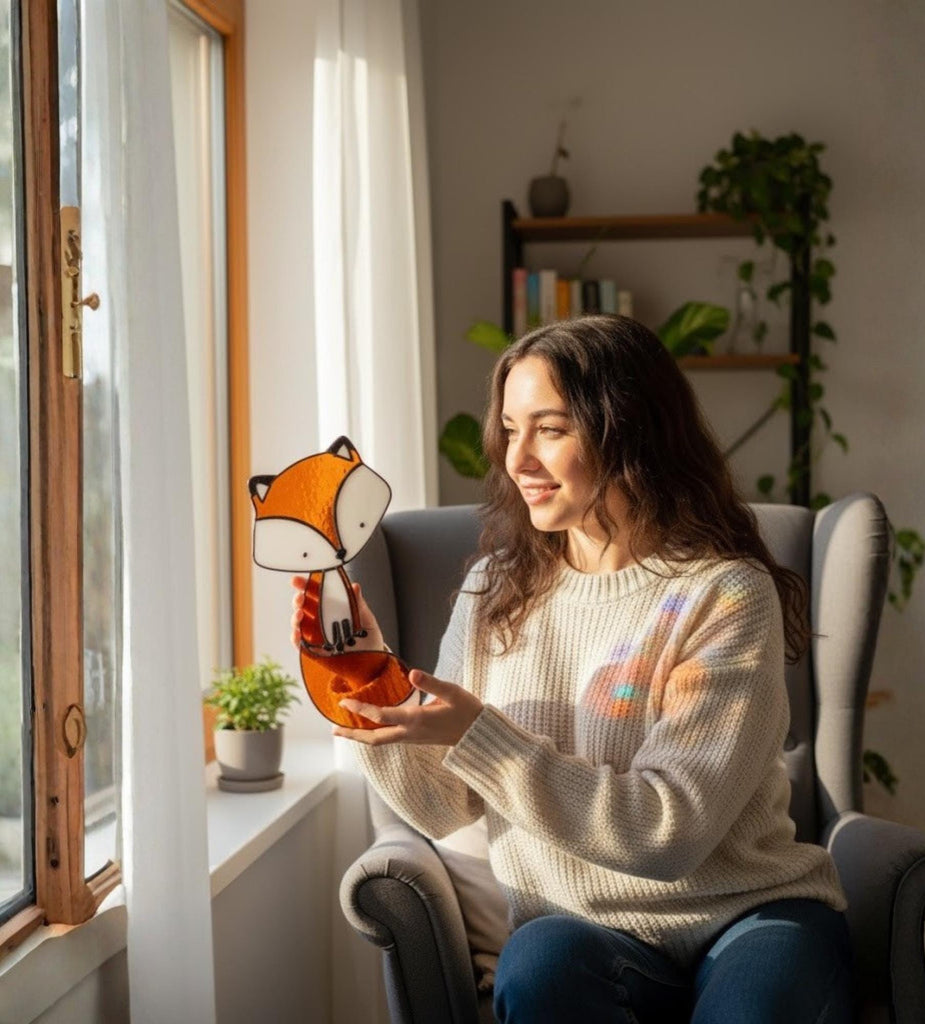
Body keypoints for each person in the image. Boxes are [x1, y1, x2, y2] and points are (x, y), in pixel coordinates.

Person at [294, 314, 854, 1023]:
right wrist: (370, 683)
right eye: (510, 429)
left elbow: (669, 832)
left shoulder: (724, 595)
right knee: (538, 971)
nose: (516, 460)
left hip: (748, 916)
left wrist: (483, 736)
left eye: (550, 430)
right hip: (581, 928)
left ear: (629, 431)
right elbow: (446, 806)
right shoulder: (495, 592)